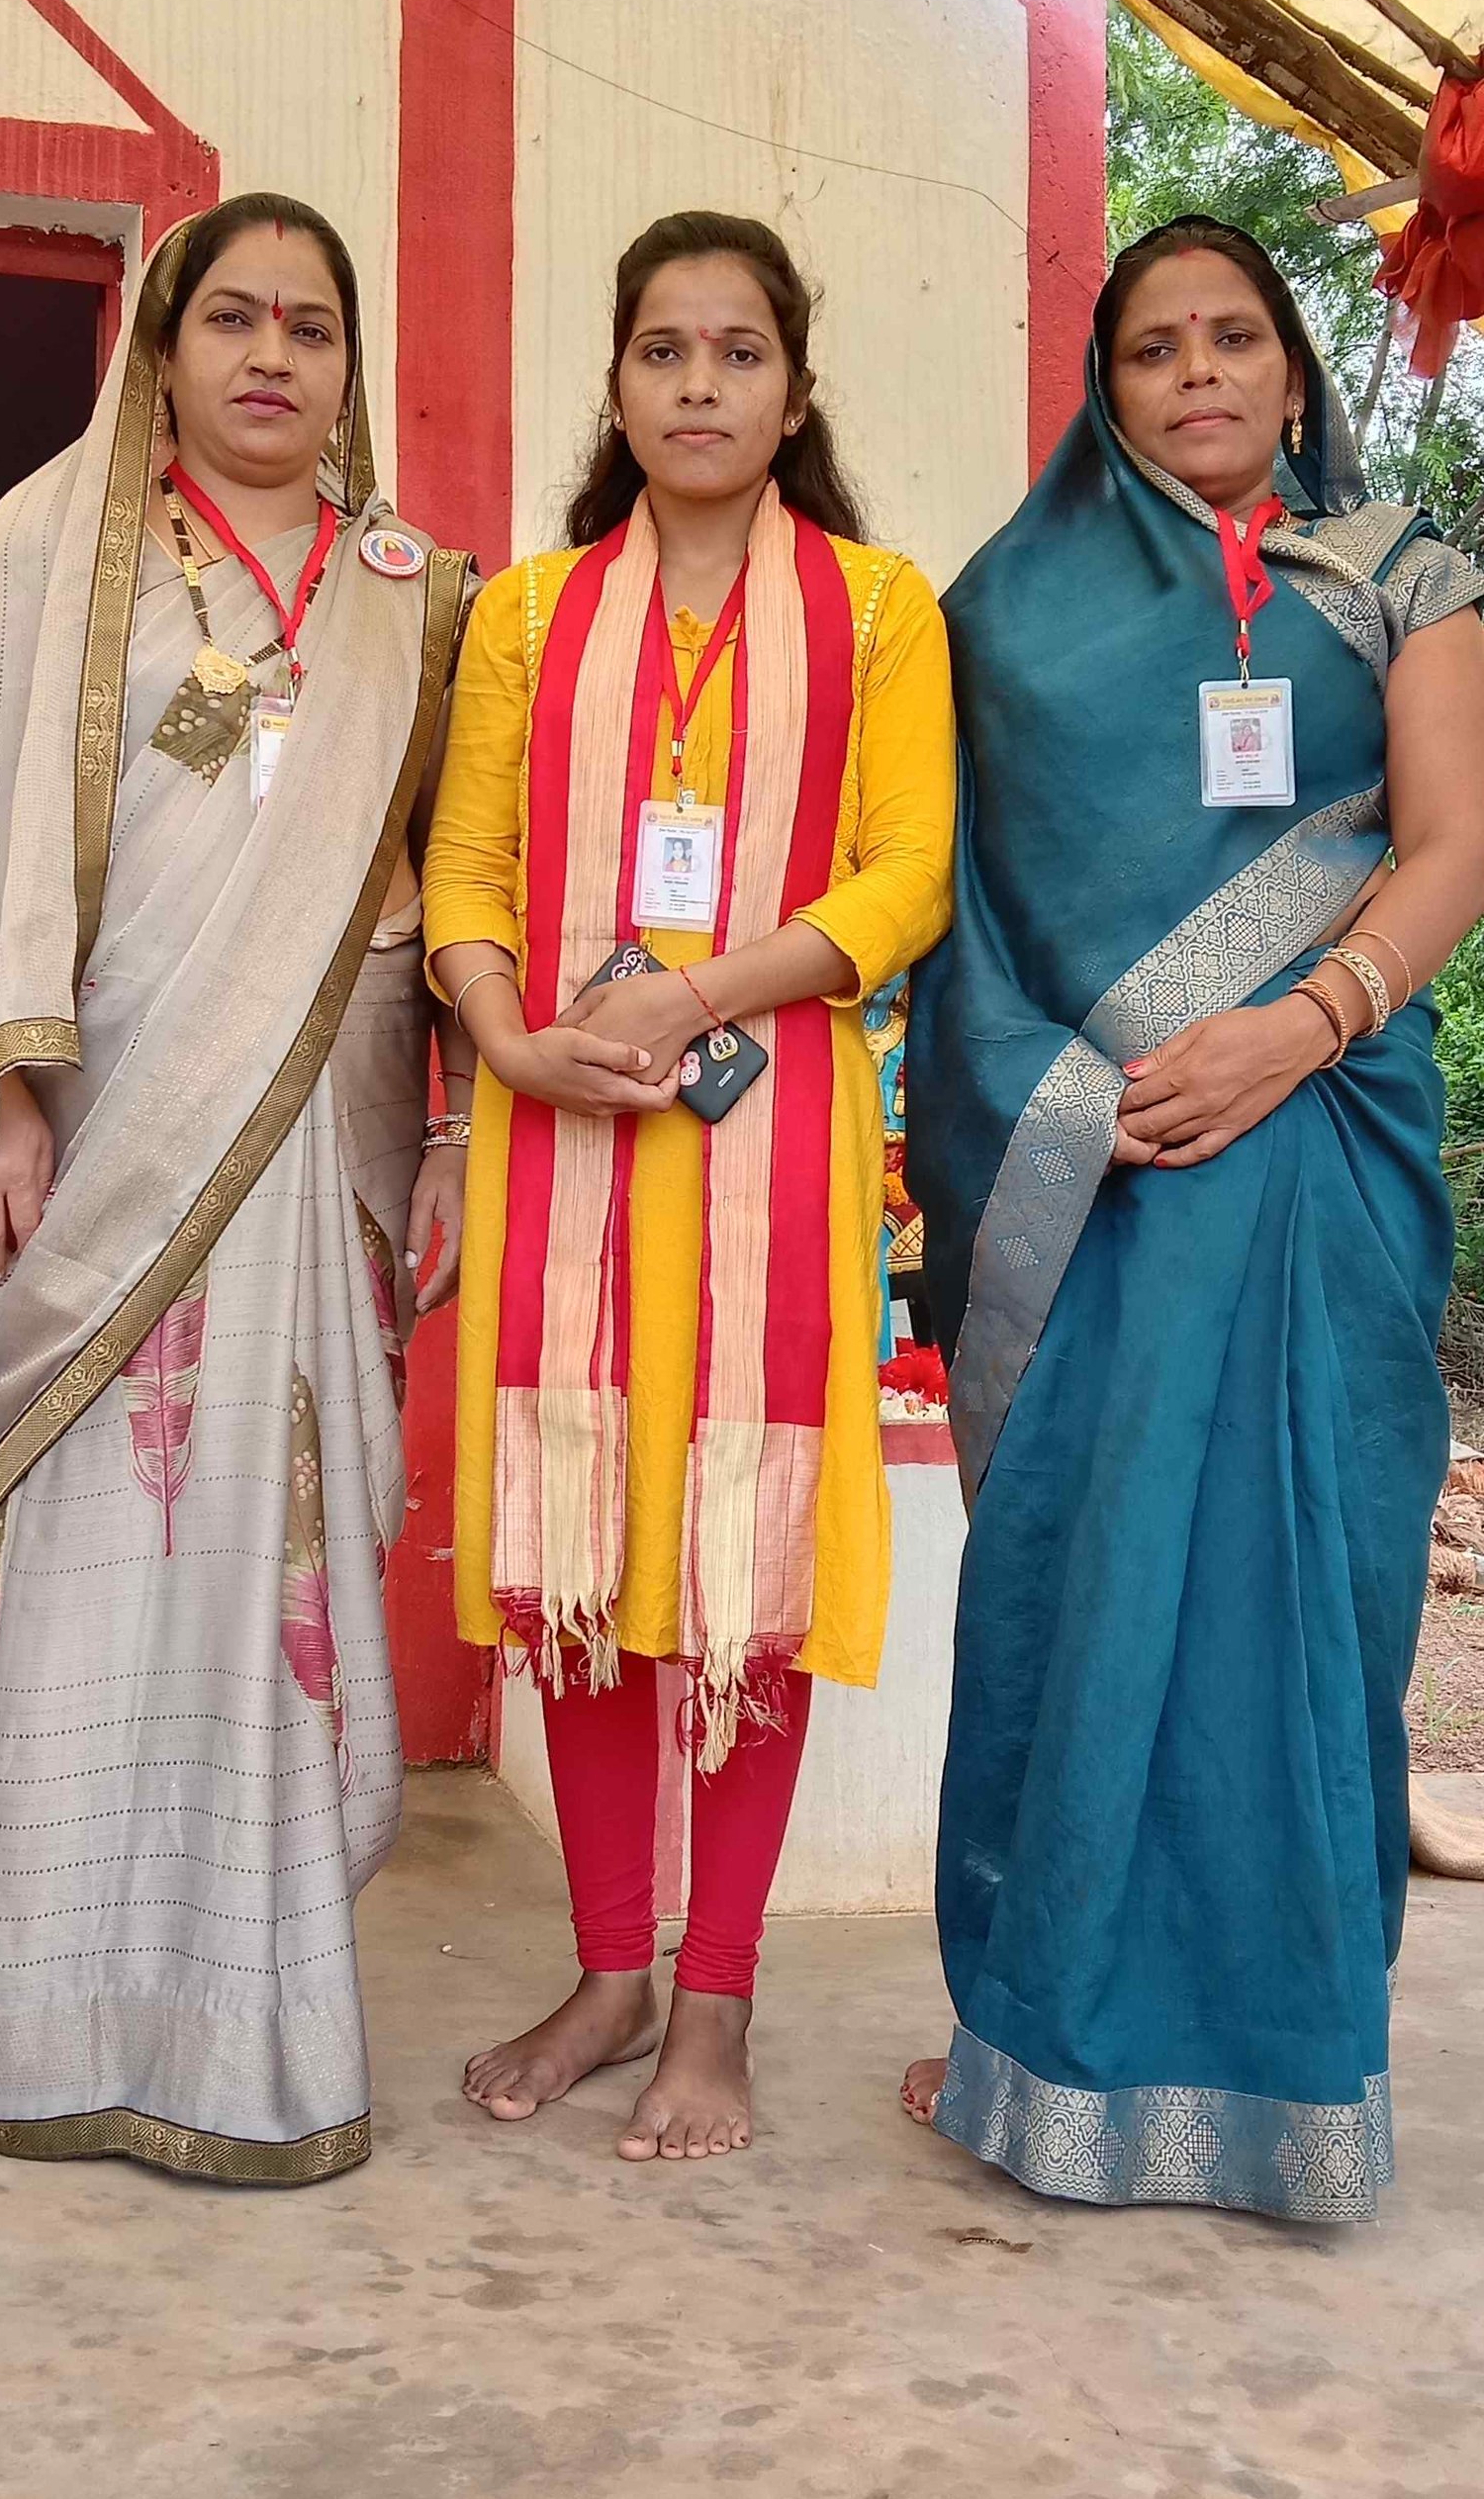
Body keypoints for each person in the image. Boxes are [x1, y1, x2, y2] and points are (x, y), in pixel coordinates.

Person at [901, 215, 1484, 2223]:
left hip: (1317, 1139)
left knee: (1293, 1590)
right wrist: (1088, 1095)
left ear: (1292, 368)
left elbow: (1451, 842)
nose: (1200, 373)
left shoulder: (1401, 568)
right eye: (1155, 349)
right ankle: (1036, 2037)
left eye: (1235, 336)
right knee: (1082, 1577)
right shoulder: (1011, 606)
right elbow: (961, 902)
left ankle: (1279, 2063)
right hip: (1098, 1166)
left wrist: (1298, 1028)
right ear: (1106, 386)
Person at [0, 193, 473, 2180]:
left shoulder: (418, 593)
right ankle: (32, 2025)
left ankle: (254, 2042)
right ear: (162, 348)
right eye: (233, 318)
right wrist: (2, 1111)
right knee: (76, 1574)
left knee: (267, 1564)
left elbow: (454, 899)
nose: (272, 356)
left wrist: (452, 1137)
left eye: (312, 326)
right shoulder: (49, 554)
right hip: (95, 1154)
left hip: (319, 1154)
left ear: (350, 366)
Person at [423, 210, 954, 2160]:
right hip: (563, 1131)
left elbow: (906, 874)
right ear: (619, 385)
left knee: (745, 1564)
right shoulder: (525, 617)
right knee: (580, 1559)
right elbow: (468, 863)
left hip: (771, 1140)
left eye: (739, 352)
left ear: (793, 393)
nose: (700, 384)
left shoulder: (880, 611)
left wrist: (692, 994)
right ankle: (608, 1972)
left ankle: (711, 1999)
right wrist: (506, 1035)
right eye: (664, 350)